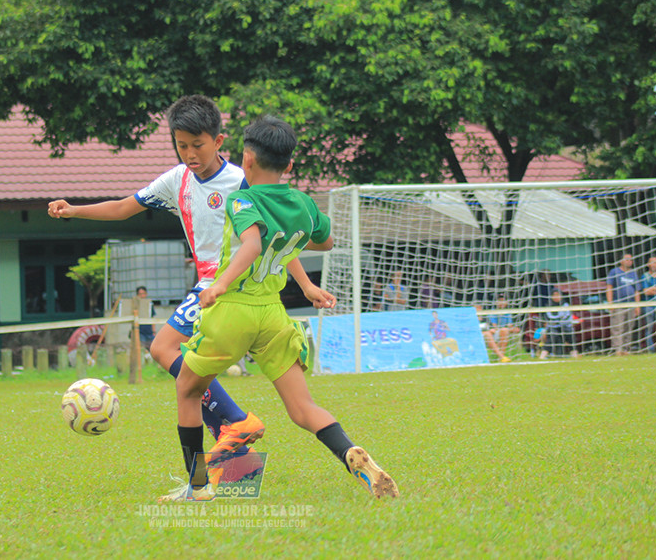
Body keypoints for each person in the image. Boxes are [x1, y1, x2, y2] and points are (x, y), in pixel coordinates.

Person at [48, 95, 324, 454]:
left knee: (164, 348)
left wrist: (304, 283)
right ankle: (238, 456)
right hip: (209, 285)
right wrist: (74, 211)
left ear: (218, 141)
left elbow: (271, 238)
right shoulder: (176, 179)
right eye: (182, 146)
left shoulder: (242, 182)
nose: (190, 154)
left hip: (229, 283)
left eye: (198, 145)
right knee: (172, 357)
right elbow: (121, 208)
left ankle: (233, 420)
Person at [167, 115, 397, 502]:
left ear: (248, 160)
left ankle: (199, 486)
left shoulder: (243, 198)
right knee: (302, 407)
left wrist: (219, 285)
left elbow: (253, 244)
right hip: (273, 316)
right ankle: (349, 452)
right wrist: (306, 284)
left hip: (233, 311)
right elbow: (322, 242)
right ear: (289, 165)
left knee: (188, 390)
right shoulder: (304, 204)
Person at [605, 253, 640, 356]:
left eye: (631, 260)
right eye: (627, 259)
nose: (629, 261)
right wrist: (610, 303)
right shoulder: (614, 272)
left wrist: (637, 305)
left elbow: (636, 290)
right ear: (621, 261)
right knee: (617, 327)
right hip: (618, 304)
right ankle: (617, 350)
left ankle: (626, 349)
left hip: (630, 305)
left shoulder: (633, 274)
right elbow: (609, 287)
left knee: (628, 327)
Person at [540, 288, 576, 358]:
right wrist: (557, 321)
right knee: (552, 335)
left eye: (558, 295)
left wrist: (558, 321)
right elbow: (548, 317)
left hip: (565, 327)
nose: (556, 297)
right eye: (554, 295)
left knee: (570, 335)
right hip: (553, 327)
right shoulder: (548, 305)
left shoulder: (566, 305)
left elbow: (567, 317)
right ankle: (543, 356)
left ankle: (574, 354)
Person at [483, 294, 518, 363]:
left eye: (503, 301)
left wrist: (513, 329)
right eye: (500, 301)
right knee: (503, 330)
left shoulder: (507, 313)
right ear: (496, 302)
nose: (502, 303)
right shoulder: (492, 312)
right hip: (494, 333)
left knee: (505, 330)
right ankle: (502, 356)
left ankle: (501, 357)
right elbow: (494, 327)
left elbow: (511, 326)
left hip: (503, 332)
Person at [130, 285, 156, 351]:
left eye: (143, 294)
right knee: (141, 349)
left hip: (149, 331)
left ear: (146, 294)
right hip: (139, 331)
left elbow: (152, 318)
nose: (142, 296)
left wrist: (153, 331)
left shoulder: (150, 304)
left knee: (152, 349)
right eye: (140, 294)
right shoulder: (134, 305)